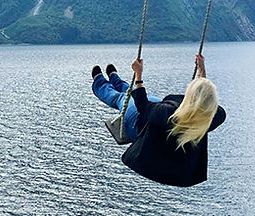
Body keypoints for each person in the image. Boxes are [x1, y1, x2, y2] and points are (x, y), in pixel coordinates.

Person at [91, 54, 226, 187]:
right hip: (159, 121)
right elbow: (203, 99)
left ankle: (99, 82)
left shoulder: (169, 114)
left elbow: (143, 106)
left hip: (140, 125)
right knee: (133, 92)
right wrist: (202, 70)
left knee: (120, 98)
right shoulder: (214, 117)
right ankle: (115, 78)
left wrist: (138, 74)